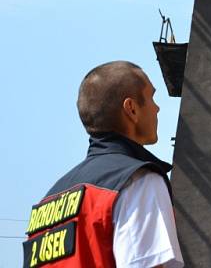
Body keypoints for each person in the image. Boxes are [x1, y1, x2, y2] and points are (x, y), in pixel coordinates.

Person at [23, 61, 184, 268]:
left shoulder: (47, 202)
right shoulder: (139, 180)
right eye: (152, 97)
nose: (157, 107)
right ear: (131, 109)